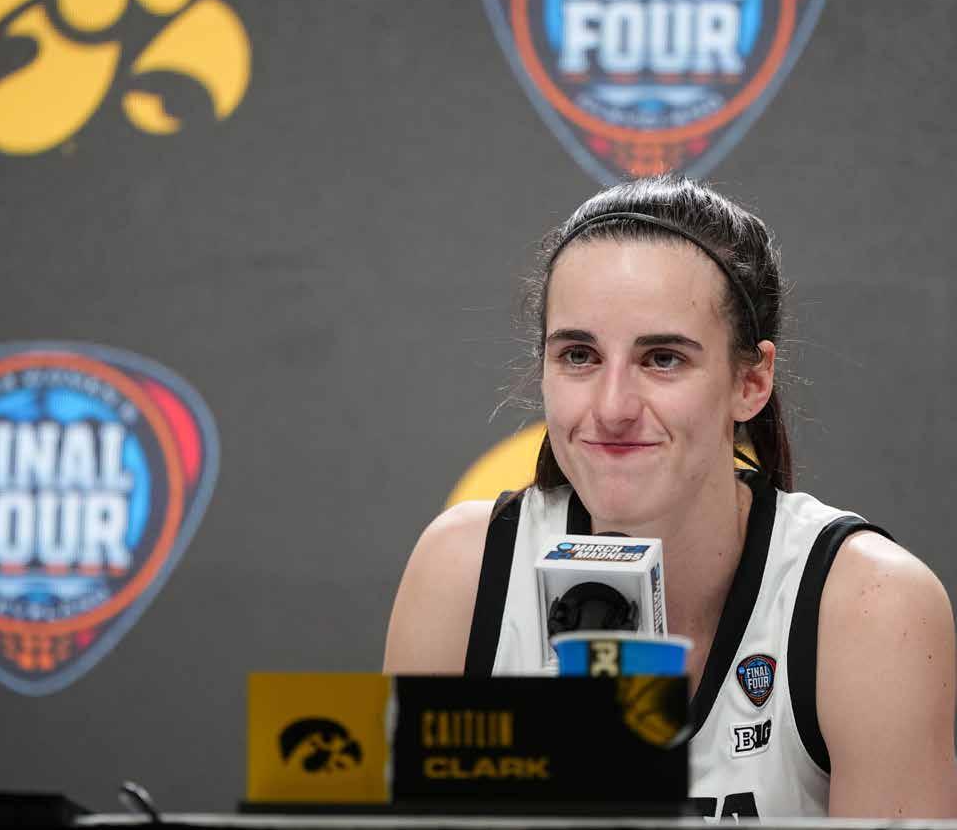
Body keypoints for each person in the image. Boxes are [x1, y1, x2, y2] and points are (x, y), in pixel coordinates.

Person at [384, 175, 957, 818]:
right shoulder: (465, 571)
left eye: (662, 359)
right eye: (579, 355)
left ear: (751, 382)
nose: (613, 408)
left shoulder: (869, 605)